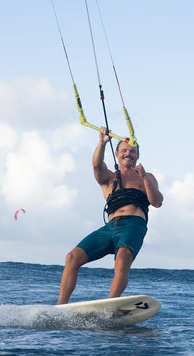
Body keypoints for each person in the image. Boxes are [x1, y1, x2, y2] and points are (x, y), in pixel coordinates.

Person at [57, 127, 163, 304]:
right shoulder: (109, 177)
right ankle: (60, 306)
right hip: (111, 226)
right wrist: (102, 142)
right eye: (124, 150)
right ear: (117, 153)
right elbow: (96, 165)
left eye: (132, 151)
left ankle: (111, 305)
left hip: (133, 225)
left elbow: (157, 202)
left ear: (137, 156)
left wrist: (144, 178)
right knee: (72, 258)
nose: (128, 153)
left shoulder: (147, 177)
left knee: (122, 259)